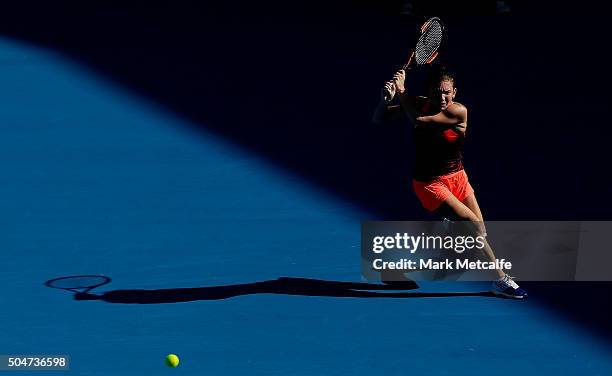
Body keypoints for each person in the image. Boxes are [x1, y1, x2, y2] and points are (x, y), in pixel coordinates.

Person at [373, 67, 528, 299]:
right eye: (437, 93)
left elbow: (420, 122)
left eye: (447, 92)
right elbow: (379, 119)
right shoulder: (417, 103)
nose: (442, 98)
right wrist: (385, 101)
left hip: (458, 177)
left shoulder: (458, 111)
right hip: (429, 183)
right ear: (429, 92)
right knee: (472, 225)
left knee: (478, 235)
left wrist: (402, 92)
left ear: (454, 92)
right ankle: (501, 280)